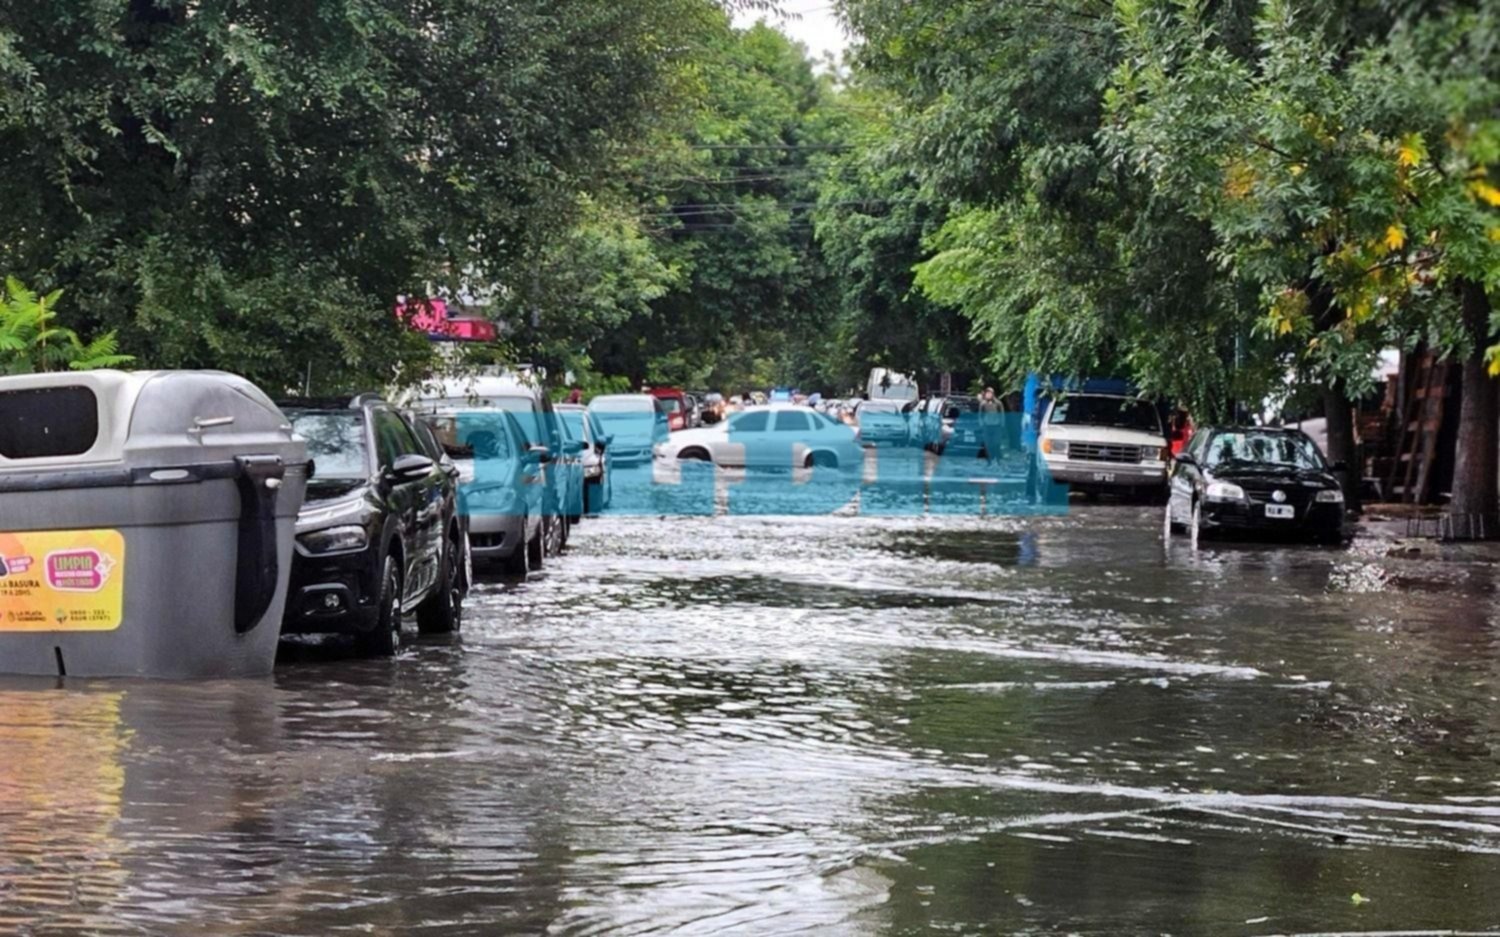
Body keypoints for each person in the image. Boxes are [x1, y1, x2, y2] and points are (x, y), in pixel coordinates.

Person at [978, 386, 1005, 466]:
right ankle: (989, 460)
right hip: (987, 426)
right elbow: (980, 415)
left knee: (996, 443)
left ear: (993, 394)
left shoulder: (998, 403)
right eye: (987, 393)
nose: (988, 394)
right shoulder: (983, 404)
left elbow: (1002, 414)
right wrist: (981, 424)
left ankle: (997, 459)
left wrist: (1002, 424)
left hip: (996, 426)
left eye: (990, 393)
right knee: (988, 444)